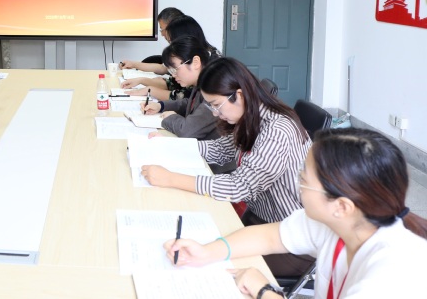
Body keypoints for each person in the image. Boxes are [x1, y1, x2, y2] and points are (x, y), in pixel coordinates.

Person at [165, 128, 427, 298]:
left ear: (342, 206)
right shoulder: (339, 222)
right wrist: (207, 252)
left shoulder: (393, 274)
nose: (297, 183)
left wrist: (265, 291)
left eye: (304, 179)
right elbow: (270, 237)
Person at [141, 57, 311, 276]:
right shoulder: (251, 117)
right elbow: (220, 149)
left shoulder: (277, 130)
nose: (215, 114)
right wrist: (171, 146)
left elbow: (239, 186)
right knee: (191, 245)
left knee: (202, 268)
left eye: (216, 105)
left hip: (290, 240)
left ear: (238, 95)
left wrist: (171, 179)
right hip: (259, 222)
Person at [122, 14, 219, 101]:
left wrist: (150, 90)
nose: (172, 46)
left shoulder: (211, 71)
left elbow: (183, 98)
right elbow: (171, 84)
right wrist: (141, 80)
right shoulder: (193, 62)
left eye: (172, 41)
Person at [141, 36, 218, 140]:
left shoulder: (214, 88)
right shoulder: (202, 80)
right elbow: (191, 104)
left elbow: (187, 131)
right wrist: (160, 106)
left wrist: (171, 118)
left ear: (196, 62)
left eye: (175, 69)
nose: (173, 75)